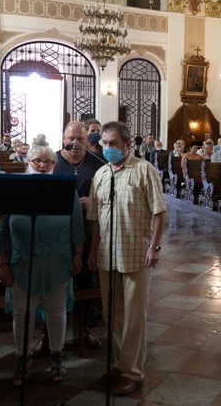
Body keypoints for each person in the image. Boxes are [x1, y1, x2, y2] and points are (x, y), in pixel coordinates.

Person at [0, 139, 85, 387]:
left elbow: (77, 223)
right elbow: (0, 228)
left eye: (48, 162)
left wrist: (78, 254)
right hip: (22, 261)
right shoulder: (13, 187)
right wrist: (2, 263)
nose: (43, 166)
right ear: (28, 162)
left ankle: (56, 355)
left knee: (57, 311)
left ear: (54, 164)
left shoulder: (66, 188)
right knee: (23, 314)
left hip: (57, 261)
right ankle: (23, 357)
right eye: (37, 161)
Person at [87, 121, 166, 396]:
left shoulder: (145, 171)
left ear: (127, 145)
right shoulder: (100, 175)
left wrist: (154, 248)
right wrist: (92, 250)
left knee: (134, 316)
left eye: (114, 144)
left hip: (136, 254)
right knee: (113, 315)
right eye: (104, 144)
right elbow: (94, 218)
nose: (108, 149)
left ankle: (132, 371)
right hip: (106, 255)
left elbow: (159, 213)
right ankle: (120, 362)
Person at [53, 121, 106, 350]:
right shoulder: (51, 161)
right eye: (70, 138)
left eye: (80, 139)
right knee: (54, 283)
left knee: (84, 279)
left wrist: (93, 202)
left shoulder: (99, 165)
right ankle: (48, 336)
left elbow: (108, 196)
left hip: (86, 231)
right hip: (56, 232)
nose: (75, 144)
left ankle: (83, 331)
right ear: (63, 138)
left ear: (87, 141)